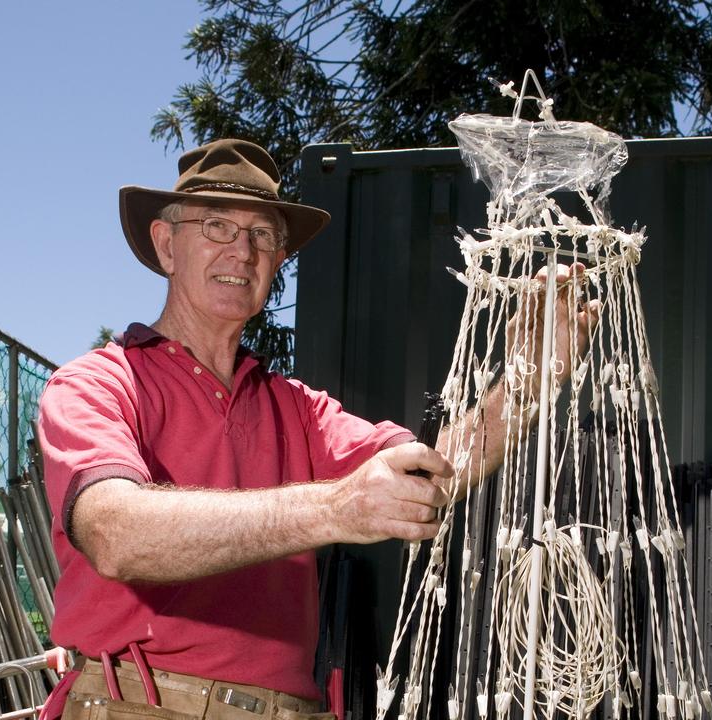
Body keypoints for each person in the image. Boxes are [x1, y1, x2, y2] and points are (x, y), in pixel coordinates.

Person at [37, 138, 596, 719]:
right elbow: (115, 533)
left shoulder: (295, 407)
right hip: (138, 704)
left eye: (263, 236)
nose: (243, 251)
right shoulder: (97, 383)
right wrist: (337, 507)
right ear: (165, 244)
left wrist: (531, 377)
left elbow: (427, 474)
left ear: (279, 261)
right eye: (217, 226)